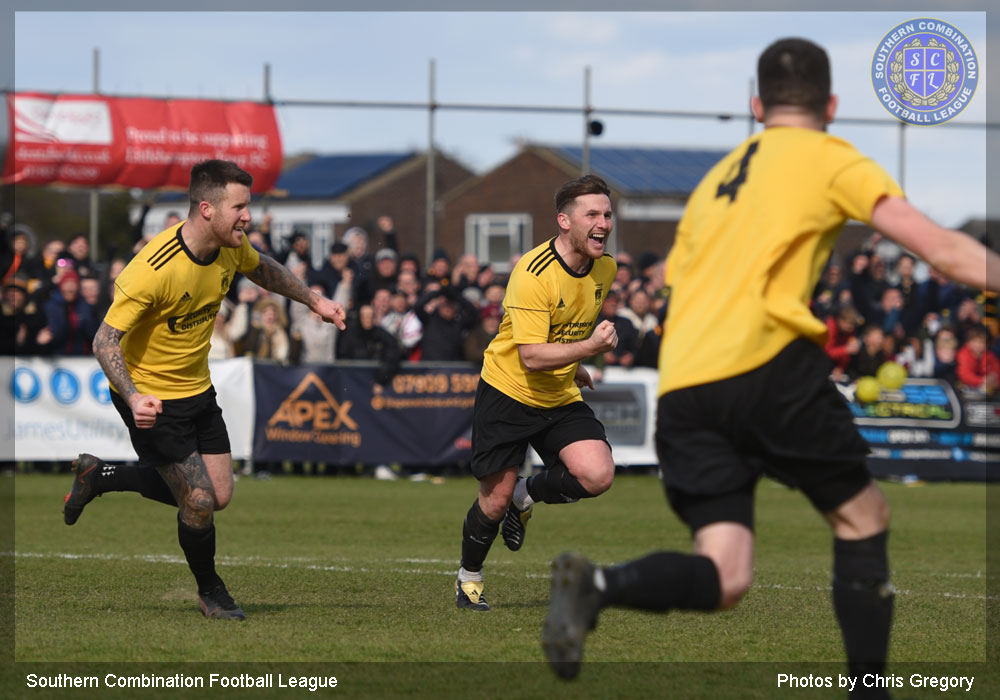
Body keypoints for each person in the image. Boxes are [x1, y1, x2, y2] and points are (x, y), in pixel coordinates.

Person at [540, 38, 1000, 694]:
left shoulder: (717, 182)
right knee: (863, 517)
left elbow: (674, 276)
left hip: (688, 387)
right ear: (832, 105)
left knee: (725, 577)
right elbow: (944, 250)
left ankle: (598, 584)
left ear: (757, 106)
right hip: (767, 367)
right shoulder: (829, 157)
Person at [61, 159, 346, 621]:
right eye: (240, 207)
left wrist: (315, 301)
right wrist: (134, 398)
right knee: (197, 502)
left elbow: (262, 268)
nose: (248, 217)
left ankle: (99, 477)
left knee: (218, 495)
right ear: (207, 209)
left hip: (197, 389)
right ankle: (212, 592)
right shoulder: (152, 269)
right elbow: (103, 340)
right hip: (150, 396)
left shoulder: (230, 246)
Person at [454, 174, 619, 612]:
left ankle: (529, 495)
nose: (603, 222)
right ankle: (469, 578)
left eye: (606, 214)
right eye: (592, 214)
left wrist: (577, 365)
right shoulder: (532, 272)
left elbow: (564, 329)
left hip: (558, 393)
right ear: (564, 221)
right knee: (494, 502)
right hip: (509, 390)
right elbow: (529, 355)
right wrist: (589, 350)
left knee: (597, 474)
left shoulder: (606, 267)